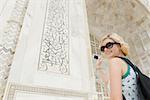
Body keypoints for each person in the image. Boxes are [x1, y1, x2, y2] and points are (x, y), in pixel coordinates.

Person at [96, 33, 139, 100]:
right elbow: (108, 82)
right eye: (102, 48)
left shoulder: (115, 62)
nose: (105, 50)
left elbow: (116, 98)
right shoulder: (127, 63)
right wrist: (98, 68)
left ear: (119, 45)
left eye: (109, 45)